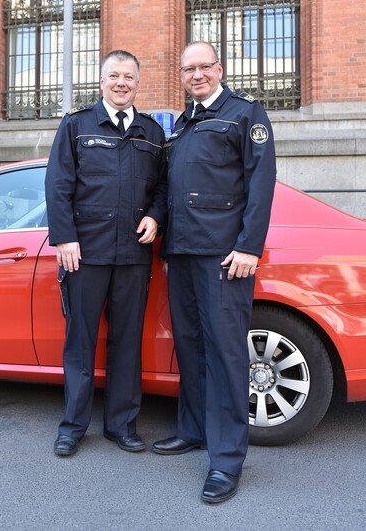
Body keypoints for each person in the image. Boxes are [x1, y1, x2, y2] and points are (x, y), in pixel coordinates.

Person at [152, 41, 276, 503]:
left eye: (205, 67)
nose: (197, 74)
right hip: (181, 251)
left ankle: (226, 462)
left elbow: (261, 183)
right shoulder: (181, 123)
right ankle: (194, 429)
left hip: (225, 256)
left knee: (225, 354)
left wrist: (249, 246)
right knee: (190, 346)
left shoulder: (245, 114)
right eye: (189, 68)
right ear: (181, 74)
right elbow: (168, 185)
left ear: (219, 69)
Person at [45, 49, 167, 457]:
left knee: (127, 341)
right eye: (113, 76)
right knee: (79, 343)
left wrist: (155, 216)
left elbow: (164, 188)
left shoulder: (152, 133)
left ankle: (122, 425)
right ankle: (73, 427)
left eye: (128, 77)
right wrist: (64, 238)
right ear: (101, 82)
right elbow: (58, 184)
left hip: (133, 255)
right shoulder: (77, 125)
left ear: (137, 82)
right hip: (85, 254)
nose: (121, 83)